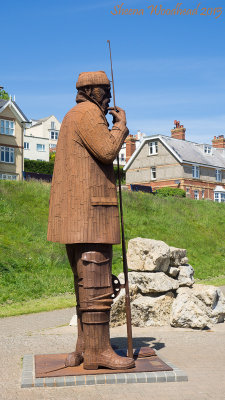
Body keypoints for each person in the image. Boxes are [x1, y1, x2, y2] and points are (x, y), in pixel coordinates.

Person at [47, 71, 135, 370]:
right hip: (92, 214)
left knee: (85, 286)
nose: (109, 96)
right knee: (97, 286)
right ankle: (99, 354)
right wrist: (120, 126)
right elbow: (108, 151)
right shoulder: (88, 114)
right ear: (92, 91)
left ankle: (84, 348)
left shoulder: (74, 114)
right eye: (105, 90)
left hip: (76, 214)